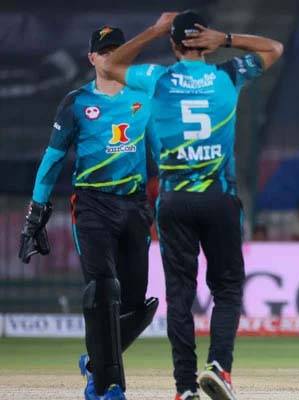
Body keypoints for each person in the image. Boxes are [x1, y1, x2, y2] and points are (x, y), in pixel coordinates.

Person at [102, 11, 283, 400]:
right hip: (219, 198)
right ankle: (219, 367)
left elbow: (110, 65)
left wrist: (152, 30)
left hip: (174, 201)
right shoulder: (228, 75)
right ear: (206, 43)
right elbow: (274, 48)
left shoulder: (158, 78)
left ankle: (184, 386)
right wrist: (227, 38)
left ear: (173, 44)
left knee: (180, 295)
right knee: (227, 288)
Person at [18, 26, 158, 400]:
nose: (111, 56)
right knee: (102, 292)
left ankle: (95, 363)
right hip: (93, 205)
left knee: (136, 305)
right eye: (104, 51)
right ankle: (110, 387)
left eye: (118, 50)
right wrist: (36, 212)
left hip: (135, 205)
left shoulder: (144, 99)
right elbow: (52, 158)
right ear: (92, 58)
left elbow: (160, 154)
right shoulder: (76, 102)